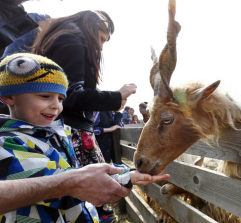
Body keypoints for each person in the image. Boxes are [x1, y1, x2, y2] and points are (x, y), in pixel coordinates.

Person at [0, 53, 170, 221]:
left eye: (60, 99)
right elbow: (64, 190)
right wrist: (126, 178)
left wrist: (128, 172)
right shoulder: (10, 143)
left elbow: (73, 174)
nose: (56, 106)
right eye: (45, 96)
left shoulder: (56, 133)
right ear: (9, 97)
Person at [31, 10, 136, 166]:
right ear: (91, 26)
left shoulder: (62, 39)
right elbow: (69, 93)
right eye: (101, 39)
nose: (100, 47)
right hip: (70, 132)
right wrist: (116, 96)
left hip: (63, 128)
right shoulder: (71, 41)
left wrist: (113, 101)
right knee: (88, 187)